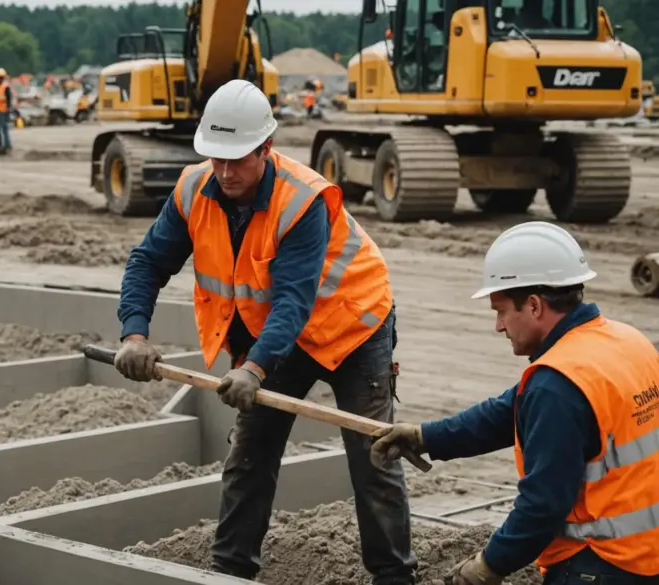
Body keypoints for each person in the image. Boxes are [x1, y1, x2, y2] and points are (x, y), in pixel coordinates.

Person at [113, 79, 417, 584]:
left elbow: (294, 300)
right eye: (217, 158)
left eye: (238, 159)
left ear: (266, 148)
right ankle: (229, 573)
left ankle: (393, 577)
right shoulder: (193, 189)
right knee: (249, 452)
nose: (226, 172)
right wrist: (134, 334)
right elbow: (147, 262)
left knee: (374, 459)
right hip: (278, 335)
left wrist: (254, 367)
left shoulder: (303, 200)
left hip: (352, 325)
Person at [370, 221, 659, 585]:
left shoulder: (558, 384)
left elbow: (542, 506)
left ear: (535, 306)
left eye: (501, 311)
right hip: (646, 552)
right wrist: (427, 436)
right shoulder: (624, 342)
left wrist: (490, 565)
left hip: (597, 562)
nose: (499, 326)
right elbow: (511, 409)